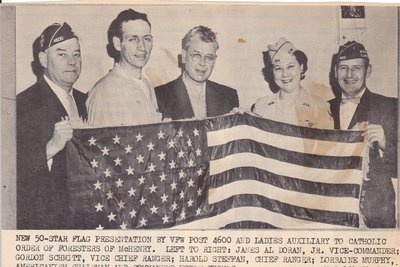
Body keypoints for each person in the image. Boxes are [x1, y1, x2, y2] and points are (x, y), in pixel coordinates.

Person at [17, 22, 87, 229]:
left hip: (87, 219)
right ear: (43, 59)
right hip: (47, 223)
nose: (72, 62)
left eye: (76, 54)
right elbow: (11, 172)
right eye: (62, 54)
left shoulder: (87, 100)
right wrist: (51, 147)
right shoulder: (22, 105)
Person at [329, 41, 397, 228]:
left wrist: (385, 143)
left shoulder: (390, 107)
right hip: (332, 212)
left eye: (356, 68)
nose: (349, 75)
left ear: (368, 71)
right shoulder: (322, 108)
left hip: (375, 214)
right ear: (335, 72)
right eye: (343, 68)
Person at [86, 9, 161, 126]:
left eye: (147, 39)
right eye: (133, 39)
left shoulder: (147, 84)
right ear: (117, 44)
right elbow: (99, 141)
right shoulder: (105, 90)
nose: (142, 47)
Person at [155, 26, 239, 120]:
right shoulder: (159, 96)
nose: (202, 63)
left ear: (214, 61)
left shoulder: (228, 96)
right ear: (184, 56)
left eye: (209, 57)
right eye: (196, 55)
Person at [252, 37, 333, 129]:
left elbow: (327, 142)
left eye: (290, 66)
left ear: (301, 68)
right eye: (278, 68)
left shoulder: (319, 106)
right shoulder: (261, 107)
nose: (285, 74)